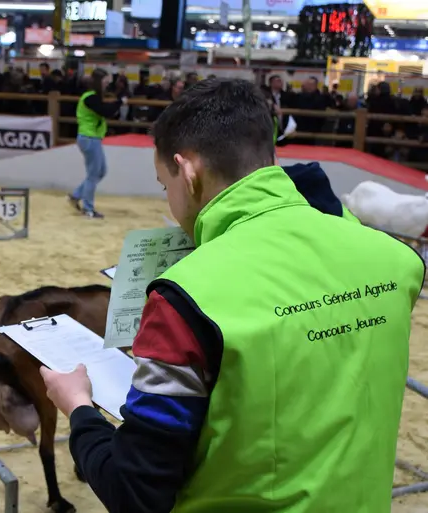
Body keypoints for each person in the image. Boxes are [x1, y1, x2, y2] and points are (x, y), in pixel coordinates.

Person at [40, 78, 425, 513]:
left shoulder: (185, 297)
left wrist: (79, 407)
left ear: (188, 172)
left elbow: (135, 492)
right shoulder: (398, 261)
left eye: (165, 186)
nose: (170, 199)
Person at [68, 68, 126, 219]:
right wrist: (119, 101)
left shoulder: (92, 97)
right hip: (89, 138)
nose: (107, 84)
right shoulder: (90, 98)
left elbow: (106, 109)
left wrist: (117, 101)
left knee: (100, 171)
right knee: (94, 174)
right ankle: (88, 208)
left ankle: (76, 195)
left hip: (92, 138)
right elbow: (105, 111)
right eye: (105, 81)